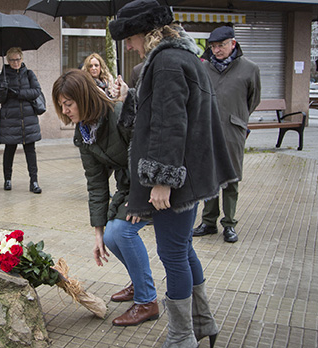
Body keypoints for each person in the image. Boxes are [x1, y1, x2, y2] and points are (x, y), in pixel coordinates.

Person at [109, 0, 238, 347]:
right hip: (191, 175)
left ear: (145, 33)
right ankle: (203, 324)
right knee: (183, 251)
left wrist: (162, 180)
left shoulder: (165, 62)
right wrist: (131, 97)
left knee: (173, 256)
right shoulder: (178, 56)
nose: (129, 46)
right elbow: (166, 110)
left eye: (131, 39)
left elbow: (169, 125)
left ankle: (182, 338)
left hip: (176, 180)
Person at [52, 69, 159, 326]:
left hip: (153, 181)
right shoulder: (84, 133)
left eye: (68, 104)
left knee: (123, 233)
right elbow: (96, 183)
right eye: (60, 106)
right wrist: (97, 232)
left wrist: (138, 197)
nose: (65, 111)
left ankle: (148, 301)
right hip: (129, 184)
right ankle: (139, 281)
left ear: (84, 97)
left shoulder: (118, 112)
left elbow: (146, 151)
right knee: (110, 237)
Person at [193, 25, 261, 243]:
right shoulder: (203, 68)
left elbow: (253, 99)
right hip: (208, 130)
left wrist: (238, 119)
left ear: (233, 43)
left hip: (233, 131)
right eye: (212, 46)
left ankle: (229, 224)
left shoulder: (250, 69)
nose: (216, 50)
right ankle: (208, 221)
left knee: (231, 178)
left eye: (221, 45)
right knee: (210, 176)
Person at [0, 47, 43, 194]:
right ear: (7, 60)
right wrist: (2, 90)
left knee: (30, 150)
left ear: (22, 59)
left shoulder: (29, 74)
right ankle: (7, 179)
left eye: (17, 59)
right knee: (9, 150)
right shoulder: (2, 76)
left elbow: (36, 91)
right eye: (12, 60)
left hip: (28, 119)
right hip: (10, 119)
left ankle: (34, 181)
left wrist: (19, 93)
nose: (15, 62)